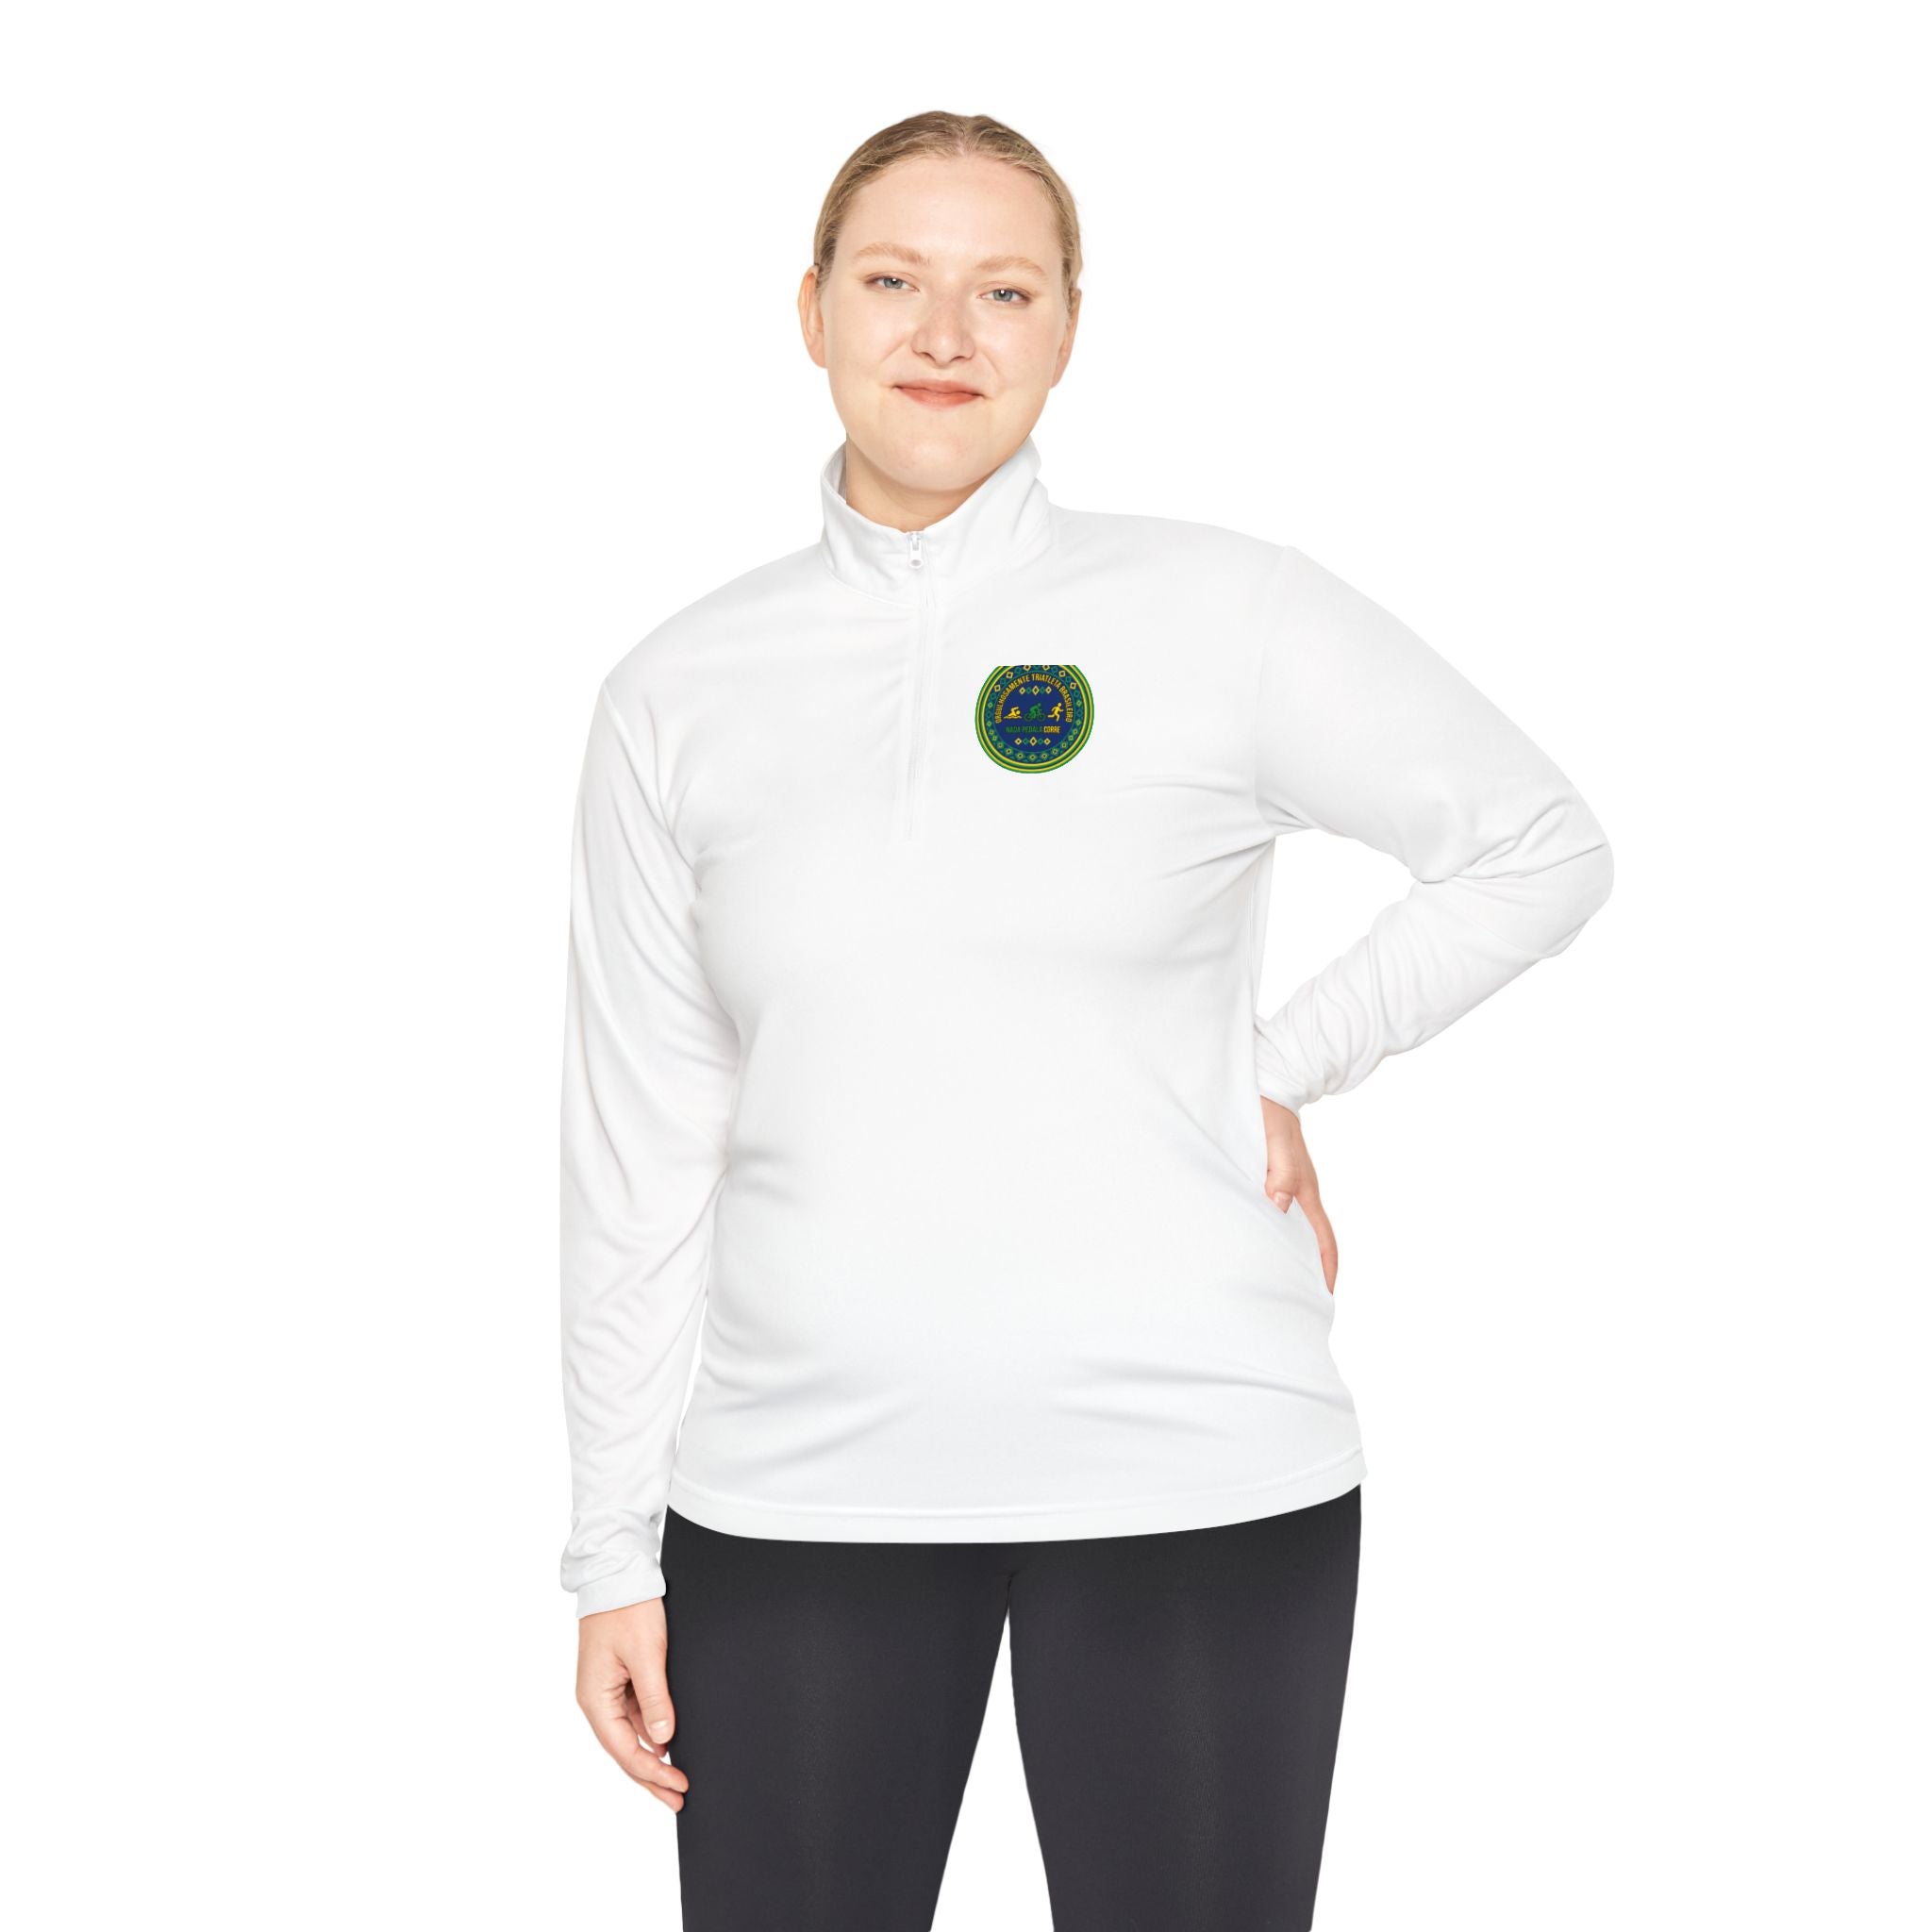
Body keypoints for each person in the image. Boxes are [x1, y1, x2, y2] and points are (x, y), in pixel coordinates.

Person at [557, 110, 1613, 1931]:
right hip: (799, 1496)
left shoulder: (1222, 610)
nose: (943, 333)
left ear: (1066, 329)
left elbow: (1537, 846)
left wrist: (1269, 1067)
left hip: (1197, 1474)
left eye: (1004, 291)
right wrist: (607, 1549)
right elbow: (638, 1145)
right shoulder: (678, 692)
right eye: (893, 280)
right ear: (810, 312)